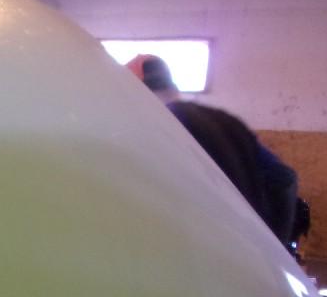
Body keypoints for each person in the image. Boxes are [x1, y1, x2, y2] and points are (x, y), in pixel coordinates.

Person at [126, 54, 298, 245]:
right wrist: (275, 247)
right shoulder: (222, 120)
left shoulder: (155, 125)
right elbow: (283, 177)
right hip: (238, 244)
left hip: (192, 244)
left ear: (136, 90)